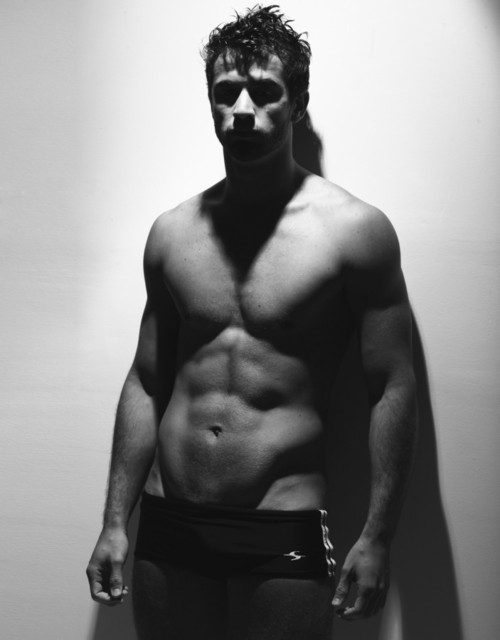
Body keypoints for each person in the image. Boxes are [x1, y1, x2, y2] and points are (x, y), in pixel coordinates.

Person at [86, 5, 417, 639]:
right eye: (226, 92)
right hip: (168, 517)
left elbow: (392, 386)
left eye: (264, 92)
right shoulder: (172, 234)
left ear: (298, 104)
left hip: (280, 521)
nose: (242, 109)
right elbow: (147, 381)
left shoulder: (355, 233)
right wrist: (114, 521)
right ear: (209, 103)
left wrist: (379, 535)